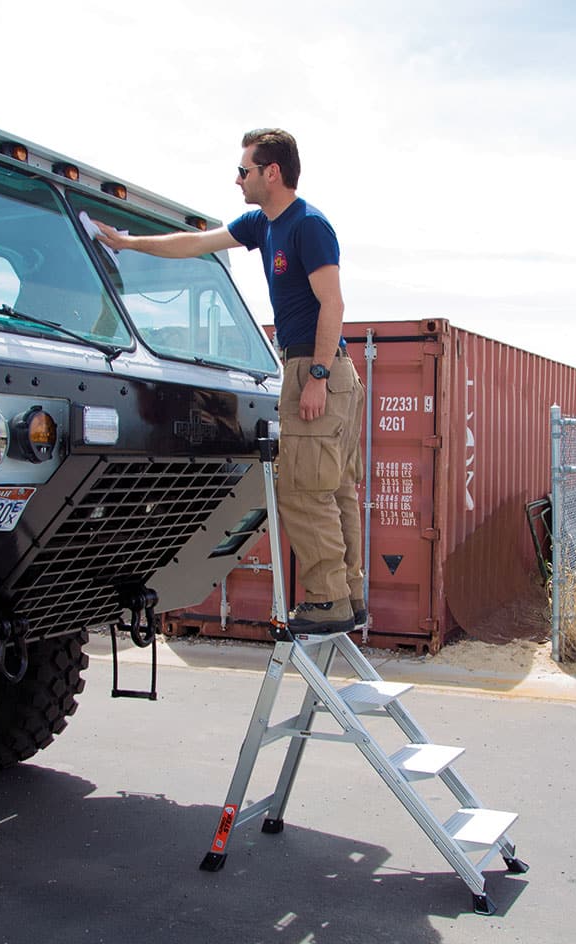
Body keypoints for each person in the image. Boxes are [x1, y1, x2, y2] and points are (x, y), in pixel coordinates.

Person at [93, 129, 365, 634]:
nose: (237, 179)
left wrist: (317, 376)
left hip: (318, 366)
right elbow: (197, 243)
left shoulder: (308, 226)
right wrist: (127, 243)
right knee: (333, 487)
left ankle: (329, 600)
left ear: (271, 173)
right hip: (319, 368)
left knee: (304, 490)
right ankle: (349, 596)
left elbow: (333, 303)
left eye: (244, 170)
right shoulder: (262, 224)